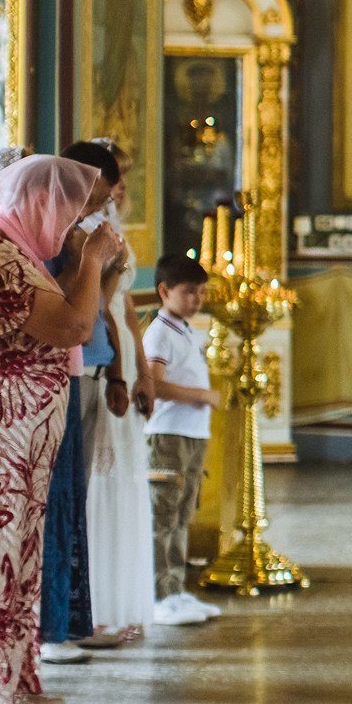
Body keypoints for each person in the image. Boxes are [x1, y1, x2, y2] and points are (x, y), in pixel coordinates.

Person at [0, 155, 116, 704]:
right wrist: (92, 262)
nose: (73, 224)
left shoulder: (19, 251)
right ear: (40, 203)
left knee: (15, 579)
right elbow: (72, 326)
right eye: (67, 209)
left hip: (24, 455)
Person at [35, 141, 124, 672]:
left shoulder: (73, 231)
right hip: (50, 378)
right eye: (96, 194)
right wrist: (90, 261)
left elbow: (99, 310)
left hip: (82, 370)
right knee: (56, 503)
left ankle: (70, 618)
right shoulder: (40, 235)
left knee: (73, 501)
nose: (96, 207)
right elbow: (65, 309)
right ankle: (50, 629)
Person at [84, 141, 155, 644]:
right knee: (100, 478)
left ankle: (124, 599)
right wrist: (116, 371)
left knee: (127, 471)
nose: (122, 188)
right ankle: (97, 605)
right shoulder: (84, 234)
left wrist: (143, 368)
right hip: (104, 360)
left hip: (125, 354)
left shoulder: (114, 232)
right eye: (116, 178)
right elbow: (100, 306)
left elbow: (128, 310)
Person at [145, 255, 220, 628]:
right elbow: (153, 384)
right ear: (164, 291)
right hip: (168, 434)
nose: (197, 299)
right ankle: (160, 595)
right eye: (189, 291)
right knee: (163, 514)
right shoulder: (159, 332)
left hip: (191, 434)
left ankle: (176, 589)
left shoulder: (185, 330)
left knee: (181, 516)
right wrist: (199, 396)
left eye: (201, 292)